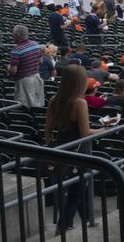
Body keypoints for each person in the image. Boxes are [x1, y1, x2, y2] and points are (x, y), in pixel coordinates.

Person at [44, 64, 113, 235]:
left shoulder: (54, 100)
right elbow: (85, 133)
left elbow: (48, 129)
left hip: (61, 149)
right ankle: (62, 227)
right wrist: (104, 129)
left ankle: (87, 219)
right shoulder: (80, 103)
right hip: (78, 153)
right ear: (79, 82)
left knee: (81, 188)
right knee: (76, 194)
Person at [8, 24, 45, 108]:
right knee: (36, 106)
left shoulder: (16, 50)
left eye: (13, 35)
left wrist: (8, 67)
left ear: (17, 36)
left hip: (24, 82)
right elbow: (40, 61)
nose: (12, 36)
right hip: (36, 77)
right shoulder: (36, 44)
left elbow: (13, 71)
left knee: (24, 107)